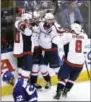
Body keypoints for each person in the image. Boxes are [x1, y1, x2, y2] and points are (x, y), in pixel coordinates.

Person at [52, 21, 88, 100]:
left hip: (70, 62)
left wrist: (59, 34)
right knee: (72, 79)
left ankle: (58, 93)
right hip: (80, 64)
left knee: (62, 78)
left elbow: (55, 41)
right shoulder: (85, 36)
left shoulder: (68, 36)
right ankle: (66, 92)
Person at [30, 11, 51, 89]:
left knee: (43, 68)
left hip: (42, 49)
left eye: (38, 18)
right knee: (34, 67)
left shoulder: (43, 25)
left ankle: (48, 81)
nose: (37, 20)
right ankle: (33, 83)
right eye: (35, 18)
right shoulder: (30, 26)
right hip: (34, 50)